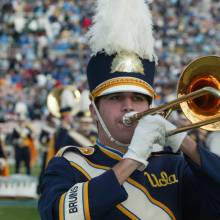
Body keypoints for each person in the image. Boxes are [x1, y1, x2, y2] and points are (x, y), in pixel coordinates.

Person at [38, 0, 220, 219]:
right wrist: (132, 159)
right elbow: (59, 214)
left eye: (138, 98)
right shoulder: (69, 164)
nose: (129, 106)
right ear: (94, 111)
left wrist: (186, 144)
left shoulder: (174, 164)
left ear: (149, 107)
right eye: (116, 98)